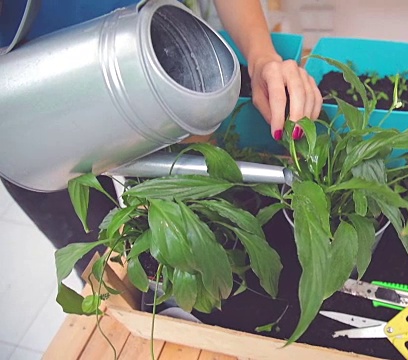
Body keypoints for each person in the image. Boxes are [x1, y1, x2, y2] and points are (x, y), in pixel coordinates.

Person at [0, 0, 322, 274]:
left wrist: (262, 56)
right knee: (99, 258)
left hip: (151, 60)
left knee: (191, 225)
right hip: (25, 105)